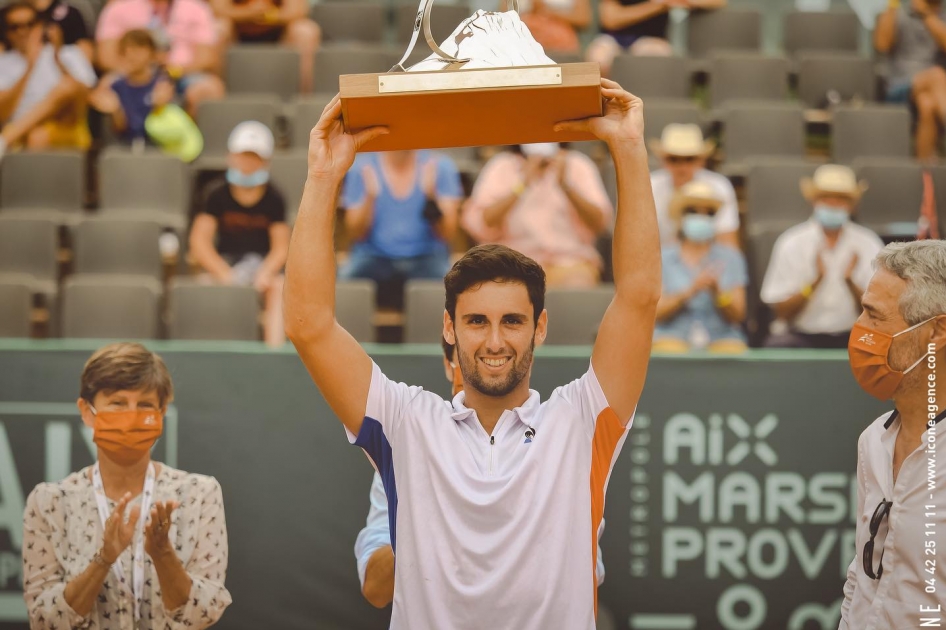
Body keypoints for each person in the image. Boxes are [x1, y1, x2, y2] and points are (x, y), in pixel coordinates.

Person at [285, 78, 660, 628]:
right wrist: (323, 176)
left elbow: (639, 296)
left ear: (541, 328)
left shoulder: (581, 418)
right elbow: (308, 324)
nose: (494, 340)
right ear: (450, 328)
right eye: (476, 322)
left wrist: (628, 148)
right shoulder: (405, 420)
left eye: (513, 321)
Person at [355, 338, 609, 609]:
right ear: (449, 365)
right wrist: (430, 534)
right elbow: (375, 588)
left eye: (496, 360)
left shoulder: (561, 445)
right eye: (468, 360)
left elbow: (585, 575)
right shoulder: (406, 451)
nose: (484, 375)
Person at [22, 342, 232, 628]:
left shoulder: (198, 494)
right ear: (87, 411)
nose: (131, 416)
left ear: (160, 413)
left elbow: (204, 614)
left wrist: (163, 554)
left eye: (144, 404)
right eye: (117, 403)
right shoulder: (50, 502)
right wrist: (103, 559)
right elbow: (43, 620)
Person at [839, 240, 946, 628]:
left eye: (873, 316)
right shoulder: (873, 440)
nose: (859, 331)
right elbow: (862, 578)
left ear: (936, 333)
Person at [761, 165, 884, 349]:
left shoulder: (869, 243)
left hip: (854, 336)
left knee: (883, 347)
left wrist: (850, 282)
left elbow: (879, 314)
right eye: (826, 198)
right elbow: (781, 313)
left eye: (841, 199)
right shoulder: (791, 242)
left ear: (852, 205)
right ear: (813, 201)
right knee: (777, 346)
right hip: (800, 336)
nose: (833, 204)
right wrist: (814, 283)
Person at [189, 121, 289, 347]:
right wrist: (224, 274)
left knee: (280, 288)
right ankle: (208, 349)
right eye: (243, 156)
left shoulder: (275, 198)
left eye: (254, 157)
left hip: (262, 267)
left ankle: (274, 354)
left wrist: (265, 274)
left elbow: (281, 247)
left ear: (266, 162)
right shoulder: (214, 194)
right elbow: (199, 241)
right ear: (230, 157)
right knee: (202, 285)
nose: (248, 163)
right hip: (226, 263)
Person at [462, 142, 612, 288]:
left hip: (569, 262)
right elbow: (485, 221)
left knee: (578, 285)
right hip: (512, 263)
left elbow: (600, 223)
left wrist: (566, 186)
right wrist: (523, 184)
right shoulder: (501, 165)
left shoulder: (577, 164)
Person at [339, 149, 463, 305]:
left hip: (427, 256)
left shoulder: (441, 166)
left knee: (456, 290)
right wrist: (369, 198)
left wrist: (431, 198)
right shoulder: (362, 168)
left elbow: (447, 233)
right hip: (374, 255)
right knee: (344, 284)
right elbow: (354, 233)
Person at [653, 181, 747, 353]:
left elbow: (738, 315)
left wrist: (719, 293)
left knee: (734, 351)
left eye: (709, 212)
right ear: (681, 217)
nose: (701, 217)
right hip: (672, 337)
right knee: (666, 350)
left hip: (721, 338)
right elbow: (655, 312)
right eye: (693, 211)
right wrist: (691, 291)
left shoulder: (731, 257)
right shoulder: (662, 258)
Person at [95, 0, 224, 117]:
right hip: (131, 73)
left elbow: (207, 58)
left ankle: (189, 139)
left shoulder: (196, 8)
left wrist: (174, 71)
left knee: (209, 88)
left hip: (183, 73)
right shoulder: (119, 8)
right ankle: (124, 138)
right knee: (105, 87)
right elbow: (106, 58)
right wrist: (137, 71)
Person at [0, 1, 95, 159]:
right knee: (37, 136)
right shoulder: (3, 63)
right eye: (15, 26)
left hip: (67, 127)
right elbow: (2, 113)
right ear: (7, 33)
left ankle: (4, 140)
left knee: (67, 86)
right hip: (20, 133)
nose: (23, 32)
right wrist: (29, 68)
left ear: (40, 26)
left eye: (29, 24)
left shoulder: (68, 54)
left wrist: (58, 60)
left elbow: (85, 97)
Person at [874, 0, 946, 160]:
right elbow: (881, 44)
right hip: (899, 88)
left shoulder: (942, 16)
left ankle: (926, 174)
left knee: (927, 104)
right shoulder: (898, 13)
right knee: (937, 75)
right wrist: (893, 4)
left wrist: (926, 14)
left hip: (935, 93)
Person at [648, 123, 740, 248]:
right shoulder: (649, 186)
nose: (682, 167)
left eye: (689, 159)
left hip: (709, 262)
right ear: (663, 160)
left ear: (702, 160)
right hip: (657, 262)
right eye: (674, 159)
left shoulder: (719, 186)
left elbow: (728, 244)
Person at [587, 0, 727, 76]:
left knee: (655, 59)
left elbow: (718, 2)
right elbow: (611, 19)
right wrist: (657, 6)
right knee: (598, 60)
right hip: (612, 38)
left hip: (652, 39)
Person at [212, 0, 320, 93]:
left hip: (279, 32)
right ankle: (216, 93)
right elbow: (217, 10)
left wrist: (267, 15)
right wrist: (249, 13)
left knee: (305, 31)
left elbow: (298, 11)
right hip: (237, 32)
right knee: (218, 28)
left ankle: (303, 96)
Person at [89, 29, 174, 145]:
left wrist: (158, 108)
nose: (131, 55)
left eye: (137, 49)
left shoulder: (162, 84)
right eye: (126, 51)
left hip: (156, 147)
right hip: (123, 148)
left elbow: (165, 129)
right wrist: (116, 112)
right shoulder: (115, 87)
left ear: (151, 53)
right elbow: (121, 131)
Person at [500, 0, 591, 53]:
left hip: (561, 41)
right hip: (525, 39)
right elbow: (504, 16)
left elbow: (583, 18)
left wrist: (547, 10)